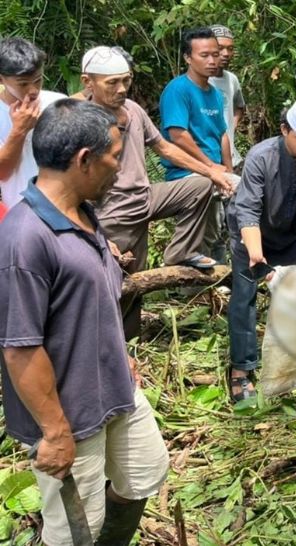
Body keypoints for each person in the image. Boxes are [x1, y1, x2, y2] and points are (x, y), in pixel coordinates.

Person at [0, 99, 168, 546]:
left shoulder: (85, 215)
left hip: (114, 388)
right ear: (84, 160)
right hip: (70, 413)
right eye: (115, 156)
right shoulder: (25, 239)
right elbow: (20, 348)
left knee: (145, 472)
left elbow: (94, 302)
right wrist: (55, 432)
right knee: (76, 529)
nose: (120, 166)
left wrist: (120, 355)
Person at [81, 46, 232, 339]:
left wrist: (210, 171)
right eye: (112, 82)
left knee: (200, 185)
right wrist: (92, 228)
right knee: (125, 282)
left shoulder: (134, 110)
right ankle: (119, 345)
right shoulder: (82, 119)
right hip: (112, 211)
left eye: (126, 80)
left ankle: (182, 252)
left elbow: (164, 148)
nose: (121, 88)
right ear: (88, 82)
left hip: (145, 197)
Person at [226, 98, 296, 401]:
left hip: (289, 236)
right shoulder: (261, 157)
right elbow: (247, 211)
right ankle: (241, 370)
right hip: (250, 235)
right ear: (284, 130)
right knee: (244, 299)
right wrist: (256, 256)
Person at [160, 27, 233, 262]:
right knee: (204, 235)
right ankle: (191, 280)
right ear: (188, 58)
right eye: (204, 55)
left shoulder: (215, 93)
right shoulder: (178, 90)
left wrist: (228, 170)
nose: (212, 60)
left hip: (215, 171)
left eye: (215, 54)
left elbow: (222, 134)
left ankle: (223, 275)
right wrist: (210, 167)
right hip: (188, 173)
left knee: (223, 227)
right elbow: (177, 134)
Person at [0, 37, 66, 208]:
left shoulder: (57, 103)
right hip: (21, 210)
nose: (33, 90)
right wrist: (19, 130)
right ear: (1, 80)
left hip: (65, 206)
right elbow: (2, 173)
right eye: (23, 84)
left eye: (38, 80)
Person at [209, 24, 246, 170]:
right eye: (220, 48)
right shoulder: (200, 81)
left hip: (233, 159)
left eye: (230, 49)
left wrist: (231, 126)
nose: (226, 53)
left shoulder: (232, 79)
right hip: (210, 162)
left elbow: (239, 106)